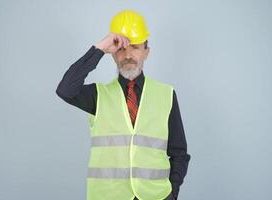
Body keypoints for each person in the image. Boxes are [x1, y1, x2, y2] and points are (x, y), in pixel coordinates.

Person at [56, 10, 191, 200]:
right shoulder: (98, 95)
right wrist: (99, 49)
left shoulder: (166, 94)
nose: (127, 55)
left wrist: (172, 192)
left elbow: (179, 153)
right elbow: (65, 89)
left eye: (134, 47)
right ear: (112, 54)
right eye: (120, 48)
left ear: (147, 52)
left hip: (156, 196)